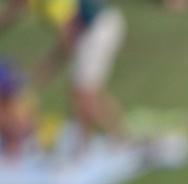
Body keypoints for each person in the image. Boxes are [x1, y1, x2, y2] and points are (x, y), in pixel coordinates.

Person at [0, 0, 126, 140]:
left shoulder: (49, 4)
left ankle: (107, 140)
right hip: (96, 27)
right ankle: (108, 137)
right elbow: (11, 14)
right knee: (83, 91)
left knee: (82, 92)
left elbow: (69, 36)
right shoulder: (32, 3)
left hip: (99, 27)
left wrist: (48, 66)